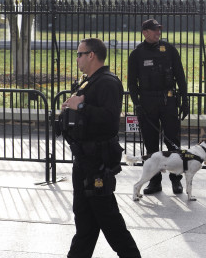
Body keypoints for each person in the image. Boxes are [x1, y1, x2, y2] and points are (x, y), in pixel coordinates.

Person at [60, 38, 140, 258]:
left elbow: (110, 118)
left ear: (91, 55)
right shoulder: (90, 82)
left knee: (111, 223)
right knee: (85, 224)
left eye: (79, 54)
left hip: (97, 163)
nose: (77, 58)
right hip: (84, 160)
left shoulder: (107, 82)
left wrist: (82, 106)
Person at [128, 18, 189, 195]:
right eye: (154, 30)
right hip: (147, 103)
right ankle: (154, 182)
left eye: (159, 30)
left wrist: (185, 101)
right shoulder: (137, 54)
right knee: (151, 145)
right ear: (145, 32)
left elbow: (180, 77)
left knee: (173, 143)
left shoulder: (169, 50)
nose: (158, 33)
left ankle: (176, 181)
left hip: (168, 101)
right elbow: (132, 83)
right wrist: (137, 104)